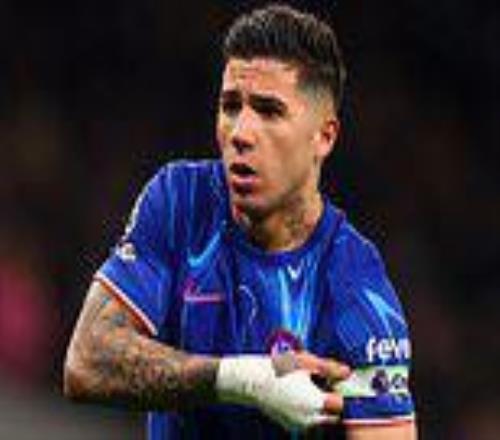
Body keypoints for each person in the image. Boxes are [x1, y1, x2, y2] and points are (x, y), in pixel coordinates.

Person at [64, 4, 417, 439]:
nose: (240, 133)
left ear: (324, 137)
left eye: (269, 111)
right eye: (231, 106)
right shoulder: (181, 203)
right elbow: (86, 362)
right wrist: (245, 381)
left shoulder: (356, 286)